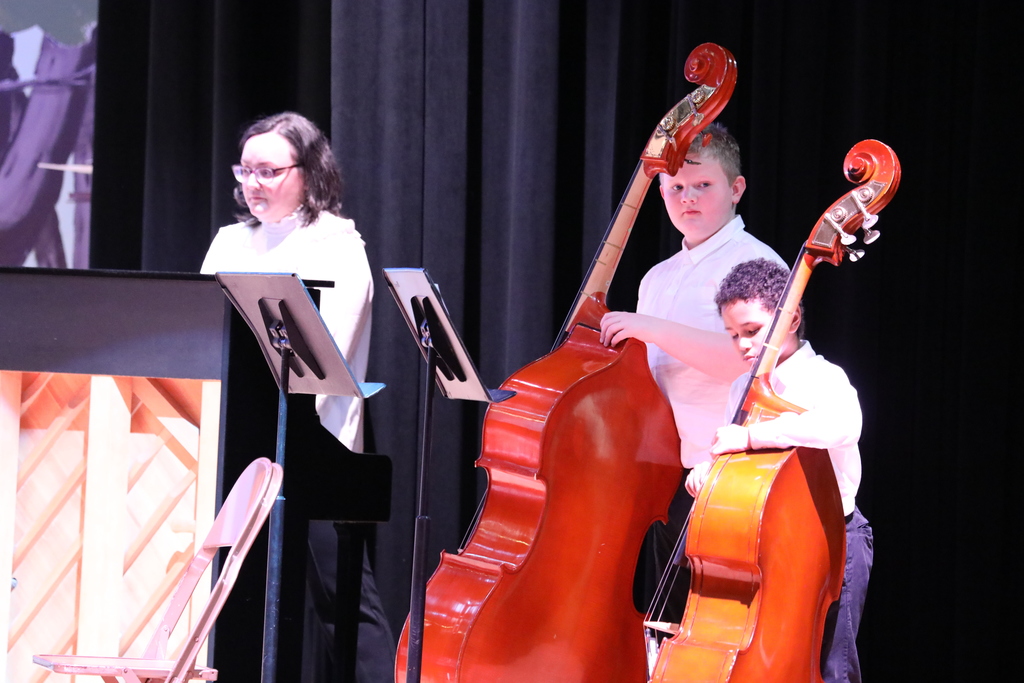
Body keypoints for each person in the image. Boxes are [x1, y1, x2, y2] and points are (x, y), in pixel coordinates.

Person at [200, 111, 394, 683]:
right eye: (245, 171)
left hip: (314, 445)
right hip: (231, 440)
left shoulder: (338, 246)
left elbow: (323, 352)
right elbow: (202, 330)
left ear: (309, 173)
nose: (252, 184)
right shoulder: (231, 241)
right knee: (233, 602)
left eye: (267, 170)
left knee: (343, 606)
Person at [598, 122, 785, 620]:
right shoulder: (657, 277)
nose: (687, 198)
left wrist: (649, 326)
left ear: (736, 189)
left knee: (717, 628)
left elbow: (740, 359)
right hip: (667, 482)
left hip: (728, 482)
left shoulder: (756, 263)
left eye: (703, 185)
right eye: (675, 187)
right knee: (670, 630)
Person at [701, 257, 871, 683]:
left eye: (753, 331)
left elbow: (843, 426)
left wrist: (753, 437)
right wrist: (709, 471)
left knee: (831, 664)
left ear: (791, 317)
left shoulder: (822, 378)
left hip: (832, 538)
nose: (742, 345)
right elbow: (734, 455)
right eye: (733, 335)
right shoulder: (742, 387)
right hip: (766, 544)